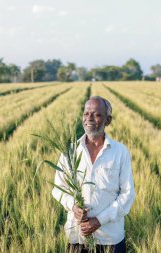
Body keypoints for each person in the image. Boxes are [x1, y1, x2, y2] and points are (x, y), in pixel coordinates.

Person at [52, 96, 135, 253]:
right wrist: (72, 205)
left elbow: (127, 194)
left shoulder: (120, 152)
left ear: (107, 120)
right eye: (86, 113)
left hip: (110, 238)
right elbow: (58, 188)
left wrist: (99, 220)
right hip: (77, 236)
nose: (89, 118)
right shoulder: (70, 151)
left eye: (96, 114)